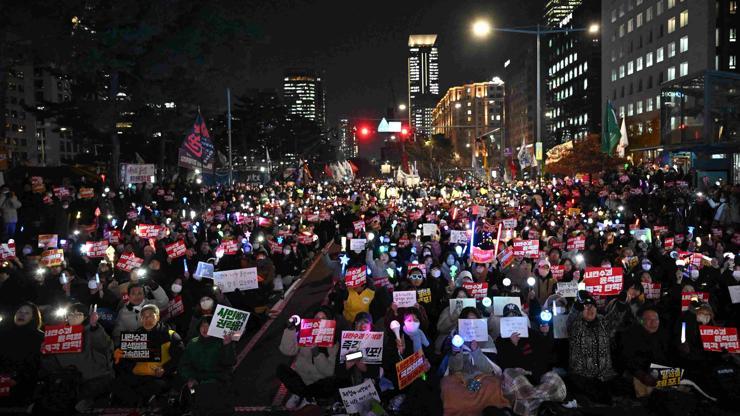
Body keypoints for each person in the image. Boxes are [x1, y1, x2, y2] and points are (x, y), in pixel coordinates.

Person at [40, 303, 114, 412]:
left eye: (78, 313)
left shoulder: (93, 330)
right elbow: (51, 365)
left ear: (84, 317)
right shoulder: (57, 334)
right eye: (71, 313)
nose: (74, 316)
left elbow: (104, 346)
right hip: (67, 382)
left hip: (94, 380)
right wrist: (46, 353)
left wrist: (94, 327)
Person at [566, 290, 632, 404]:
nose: (590, 309)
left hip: (605, 373)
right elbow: (571, 320)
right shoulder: (576, 325)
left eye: (592, 307)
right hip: (582, 374)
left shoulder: (602, 322)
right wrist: (578, 305)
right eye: (586, 308)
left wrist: (621, 304)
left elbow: (614, 319)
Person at [114, 304, 185, 407]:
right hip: (137, 376)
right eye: (144, 316)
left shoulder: (170, 335)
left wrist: (164, 369)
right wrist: (119, 357)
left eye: (151, 316)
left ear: (158, 317)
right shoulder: (134, 336)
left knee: (153, 387)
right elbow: (124, 362)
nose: (147, 319)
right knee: (116, 384)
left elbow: (179, 358)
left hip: (160, 377)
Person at [278, 306, 339, 410]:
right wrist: (290, 330)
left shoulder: (334, 343)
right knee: (281, 369)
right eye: (317, 317)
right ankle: (300, 394)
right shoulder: (304, 333)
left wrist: (316, 354)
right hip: (303, 377)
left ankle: (311, 399)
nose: (319, 320)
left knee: (329, 383)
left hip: (319, 381)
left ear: (330, 321)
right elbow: (287, 351)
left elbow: (328, 372)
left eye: (323, 318)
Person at [179, 315, 237, 414]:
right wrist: (190, 378)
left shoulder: (222, 341)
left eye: (209, 326)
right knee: (192, 395)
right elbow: (184, 365)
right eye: (203, 326)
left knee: (212, 399)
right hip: (196, 382)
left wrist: (227, 345)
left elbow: (230, 362)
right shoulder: (192, 344)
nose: (205, 329)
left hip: (218, 382)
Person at [621, 305, 672, 398]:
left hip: (662, 375)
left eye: (656, 319)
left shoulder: (663, 335)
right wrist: (641, 375)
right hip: (640, 377)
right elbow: (627, 360)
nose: (653, 323)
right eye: (649, 319)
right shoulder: (629, 336)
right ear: (641, 321)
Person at [0, 302, 44, 406]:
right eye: (19, 312)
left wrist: (17, 379)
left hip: (24, 386)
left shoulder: (40, 337)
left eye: (27, 313)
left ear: (33, 318)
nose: (22, 315)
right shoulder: (3, 333)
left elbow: (36, 362)